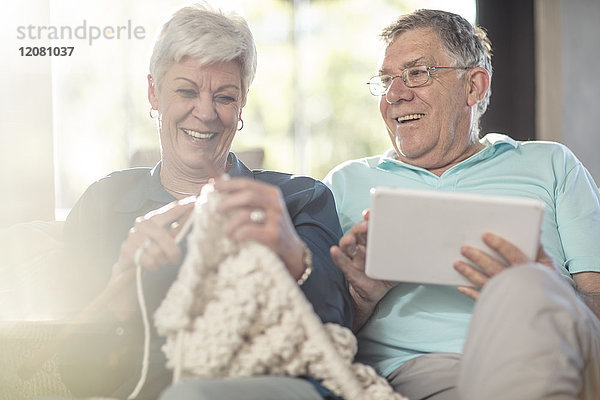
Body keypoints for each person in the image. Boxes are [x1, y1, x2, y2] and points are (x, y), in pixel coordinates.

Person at [56, 3, 352, 400]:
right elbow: (78, 377)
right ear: (153, 93)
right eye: (186, 91)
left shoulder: (300, 199)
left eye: (225, 97)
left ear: (242, 103)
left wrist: (290, 252)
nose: (206, 112)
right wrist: (122, 294)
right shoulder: (103, 205)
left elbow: (339, 329)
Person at [324, 9, 600, 400]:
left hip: (553, 351)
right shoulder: (343, 184)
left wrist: (550, 288)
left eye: (417, 74)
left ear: (474, 86)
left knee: (530, 301)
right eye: (386, 80)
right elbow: (313, 337)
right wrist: (360, 299)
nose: (395, 94)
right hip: (425, 373)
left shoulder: (552, 164)